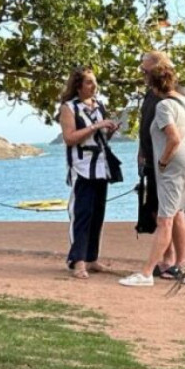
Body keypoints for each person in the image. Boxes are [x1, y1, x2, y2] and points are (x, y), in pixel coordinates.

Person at [120, 62, 185, 287]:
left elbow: (173, 138)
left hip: (174, 165)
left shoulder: (163, 106)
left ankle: (146, 272)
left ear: (152, 83)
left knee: (165, 219)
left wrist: (162, 162)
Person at [59, 66, 119, 279]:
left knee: (97, 214)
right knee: (81, 214)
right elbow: (70, 138)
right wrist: (95, 127)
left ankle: (92, 257)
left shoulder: (99, 106)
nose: (94, 86)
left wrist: (107, 131)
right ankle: (78, 260)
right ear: (78, 85)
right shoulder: (69, 108)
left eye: (94, 82)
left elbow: (100, 139)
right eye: (89, 82)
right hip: (82, 168)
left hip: (100, 167)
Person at [136, 51, 184, 278]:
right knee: (158, 210)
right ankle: (167, 258)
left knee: (172, 213)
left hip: (166, 161)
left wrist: (164, 160)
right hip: (151, 158)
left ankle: (174, 262)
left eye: (145, 71)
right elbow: (145, 126)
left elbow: (179, 134)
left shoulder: (170, 97)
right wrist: (141, 151)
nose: (143, 75)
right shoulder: (150, 95)